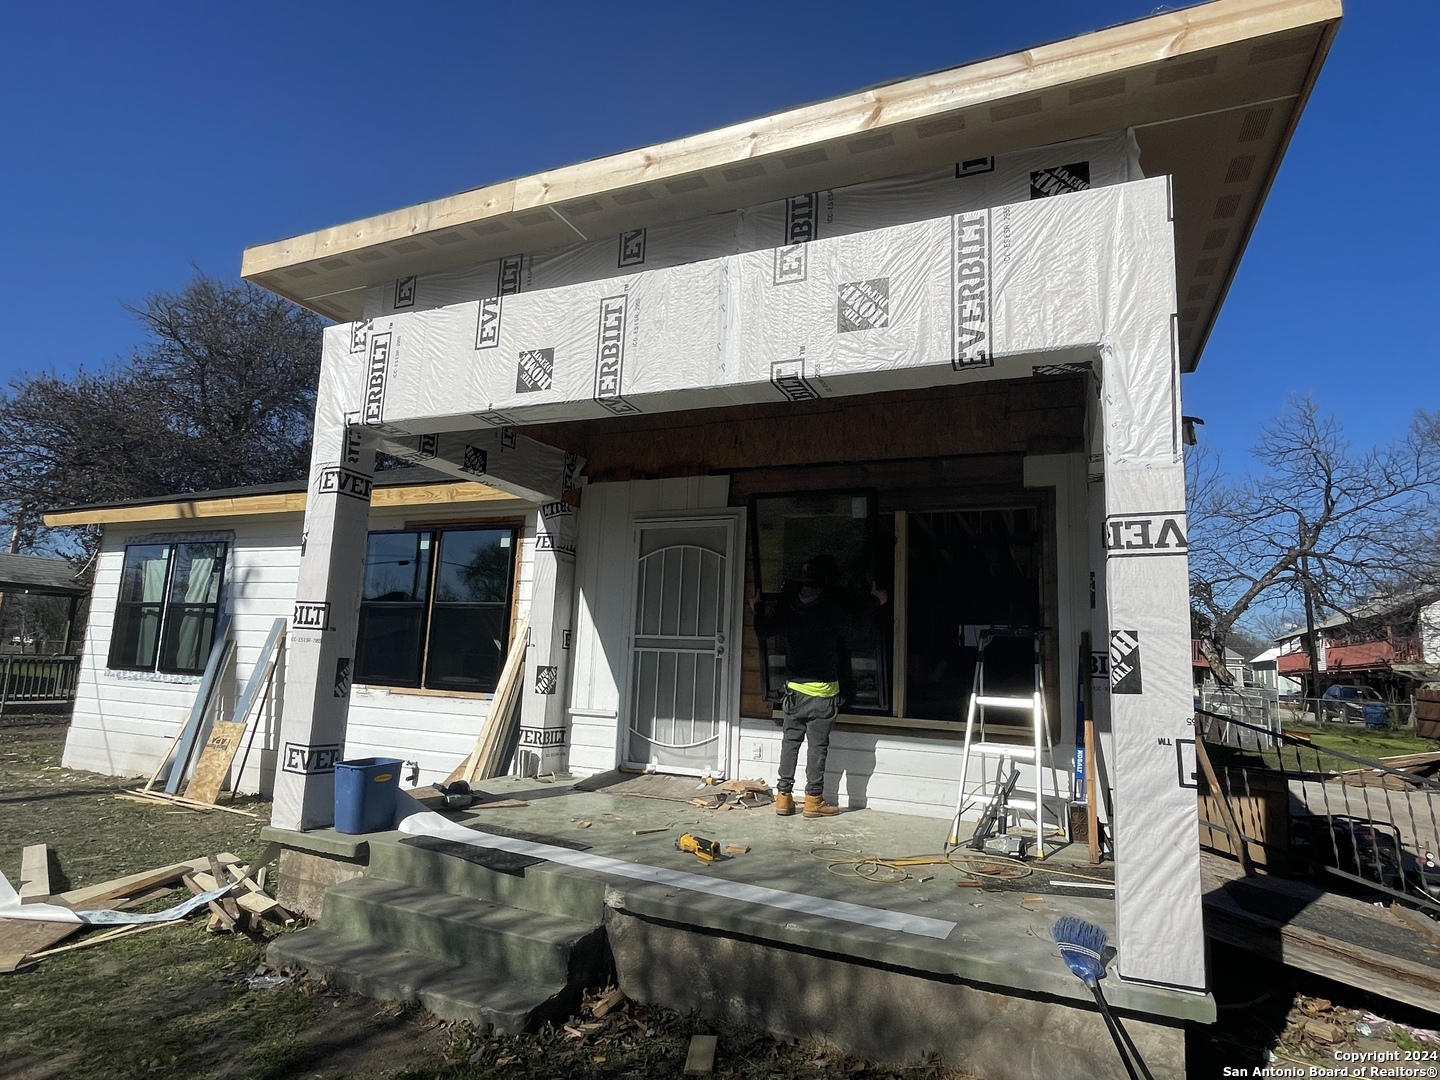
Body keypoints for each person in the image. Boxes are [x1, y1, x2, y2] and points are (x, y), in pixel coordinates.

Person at [750, 555, 888, 818]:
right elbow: (857, 628)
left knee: (790, 742)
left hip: (793, 692)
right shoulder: (829, 607)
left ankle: (783, 798)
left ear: (799, 584)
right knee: (817, 747)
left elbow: (763, 630)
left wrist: (756, 607)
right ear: (824, 583)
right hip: (823, 693)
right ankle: (813, 800)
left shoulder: (786, 606)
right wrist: (874, 601)